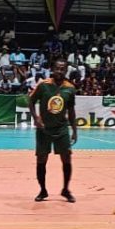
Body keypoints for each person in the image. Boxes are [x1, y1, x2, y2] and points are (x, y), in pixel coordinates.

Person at [29, 59, 78, 203]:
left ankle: (65, 189)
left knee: (66, 158)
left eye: (63, 69)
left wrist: (74, 130)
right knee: (41, 159)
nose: (60, 71)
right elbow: (30, 101)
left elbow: (71, 110)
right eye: (57, 68)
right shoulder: (44, 85)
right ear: (52, 69)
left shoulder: (70, 88)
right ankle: (43, 190)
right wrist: (36, 118)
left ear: (66, 70)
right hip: (44, 128)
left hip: (61, 128)